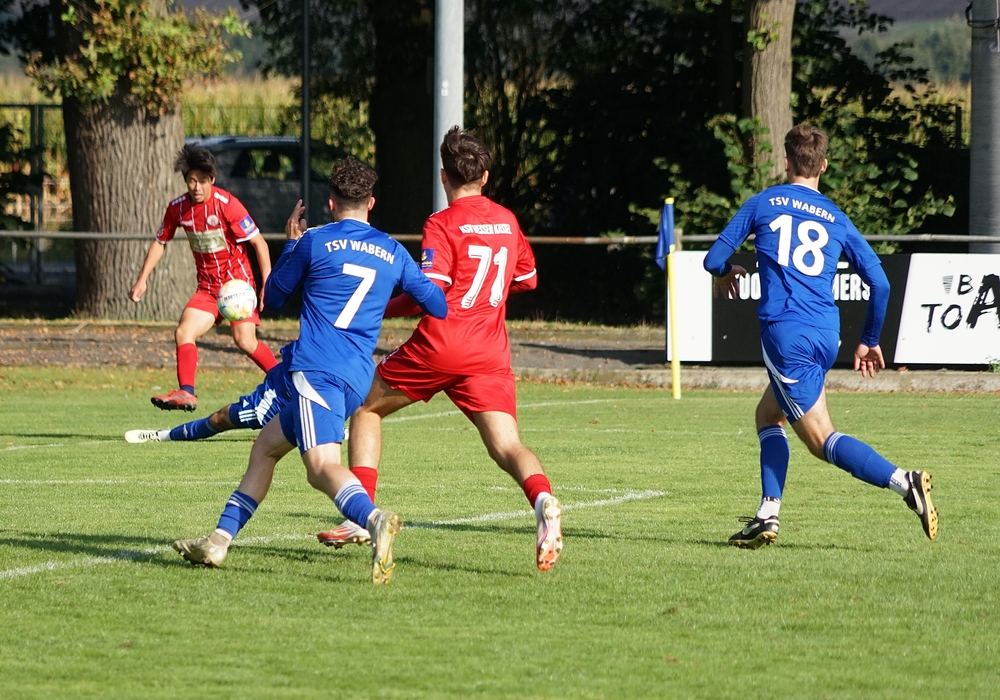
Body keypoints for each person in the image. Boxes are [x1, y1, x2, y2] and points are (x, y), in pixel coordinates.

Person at [171, 157, 447, 586]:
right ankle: (218, 541)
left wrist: (292, 244)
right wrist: (390, 292)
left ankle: (374, 520)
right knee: (265, 449)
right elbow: (437, 305)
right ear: (371, 203)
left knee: (320, 467)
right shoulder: (392, 250)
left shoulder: (315, 241)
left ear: (330, 202)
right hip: (357, 378)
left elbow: (274, 297)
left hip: (317, 371)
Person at [317, 127, 564, 572]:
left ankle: (360, 517)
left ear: (443, 176)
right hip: (489, 352)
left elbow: (428, 293)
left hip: (442, 345)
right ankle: (543, 499)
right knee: (507, 445)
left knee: (366, 408)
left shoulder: (442, 223)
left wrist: (380, 308)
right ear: (484, 177)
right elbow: (528, 279)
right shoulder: (507, 220)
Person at [703, 124, 938, 549]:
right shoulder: (837, 217)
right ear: (824, 166)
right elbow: (881, 284)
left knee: (821, 440)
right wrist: (869, 339)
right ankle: (767, 514)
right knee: (768, 414)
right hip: (826, 334)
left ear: (786, 162)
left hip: (785, 332)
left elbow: (713, 259)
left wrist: (726, 272)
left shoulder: (764, 202)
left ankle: (905, 482)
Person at [129, 144, 278, 412]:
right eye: (191, 180)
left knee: (245, 341)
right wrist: (143, 279)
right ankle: (186, 393)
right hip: (208, 288)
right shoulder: (177, 208)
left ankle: (284, 382)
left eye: (202, 180)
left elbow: (259, 243)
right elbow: (160, 242)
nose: (196, 187)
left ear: (212, 179)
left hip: (237, 286)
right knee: (184, 332)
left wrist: (268, 283)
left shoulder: (227, 205)